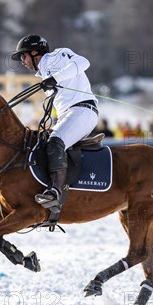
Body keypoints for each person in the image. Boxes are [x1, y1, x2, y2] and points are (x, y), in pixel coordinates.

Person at [11, 34, 99, 212]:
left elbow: (84, 62)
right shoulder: (44, 72)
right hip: (70, 114)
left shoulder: (55, 57)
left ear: (35, 53)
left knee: (55, 142)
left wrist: (55, 79)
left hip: (83, 110)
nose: (22, 61)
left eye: (23, 56)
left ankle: (56, 193)